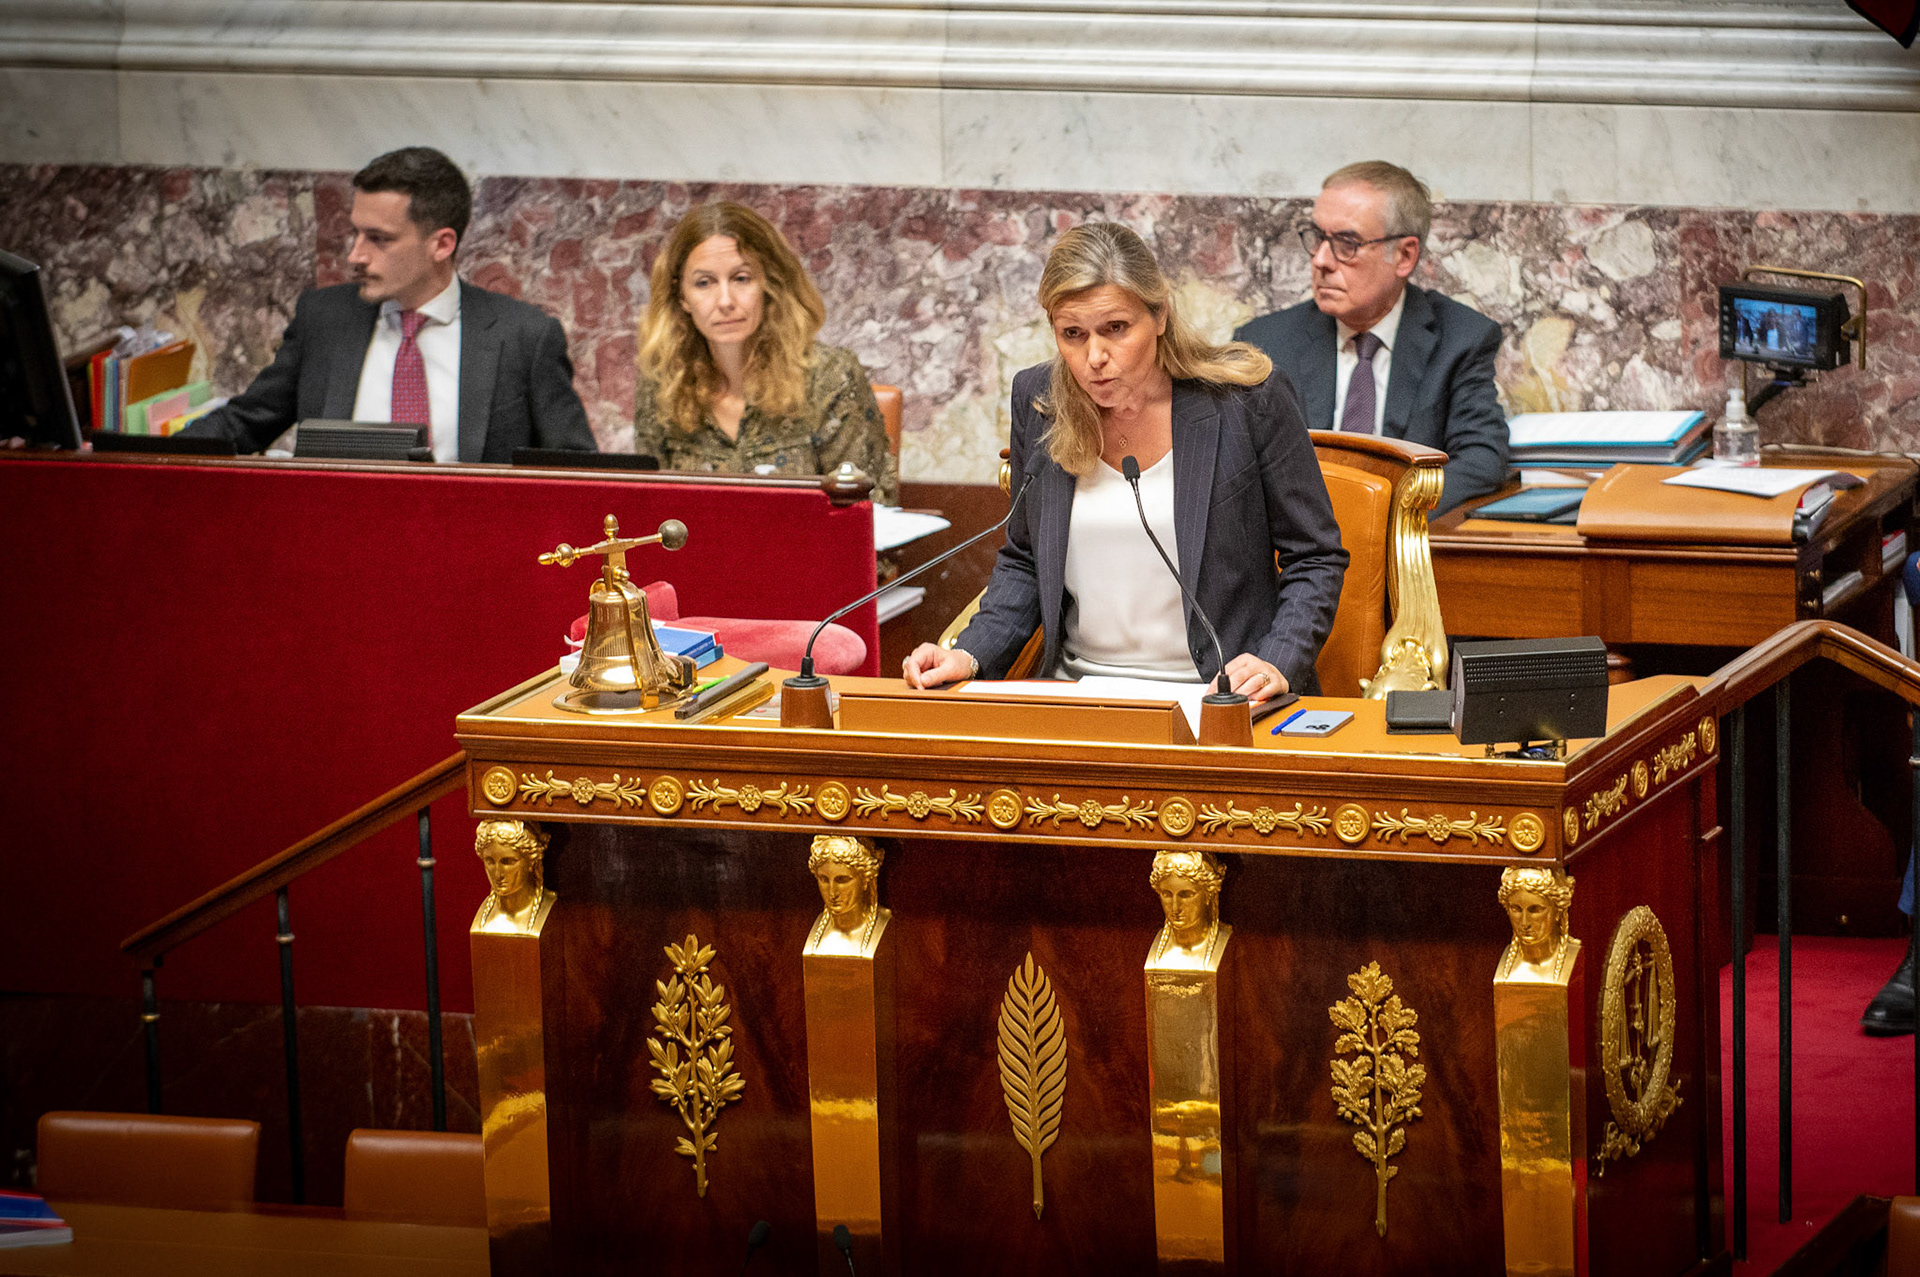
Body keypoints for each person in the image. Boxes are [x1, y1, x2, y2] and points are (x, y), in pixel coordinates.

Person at [903, 222, 1347, 698]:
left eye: (1116, 328)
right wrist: (969, 653)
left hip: (1221, 699)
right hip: (1076, 694)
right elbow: (1026, 562)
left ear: (1159, 315)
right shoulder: (1040, 401)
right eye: (1072, 334)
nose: (1095, 356)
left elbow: (1315, 556)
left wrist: (1275, 660)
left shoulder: (1245, 401)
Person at [181, 147, 595, 461]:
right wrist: (141, 460)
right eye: (356, 234)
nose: (355, 256)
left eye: (378, 239)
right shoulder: (324, 321)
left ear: (441, 244)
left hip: (469, 556)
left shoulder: (523, 337)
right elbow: (246, 421)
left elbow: (578, 472)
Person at [1233, 161, 1509, 516]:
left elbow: (1482, 458)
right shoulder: (1265, 344)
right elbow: (1236, 464)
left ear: (1405, 255)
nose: (1320, 260)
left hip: (1403, 547)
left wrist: (1384, 516)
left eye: (1347, 243)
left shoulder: (1461, 338)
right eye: (1317, 237)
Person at [633, 202, 897, 505]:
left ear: (768, 284)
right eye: (704, 283)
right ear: (682, 297)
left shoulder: (830, 376)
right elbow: (650, 507)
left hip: (809, 552)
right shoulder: (662, 383)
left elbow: (873, 512)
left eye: (741, 278)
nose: (725, 300)